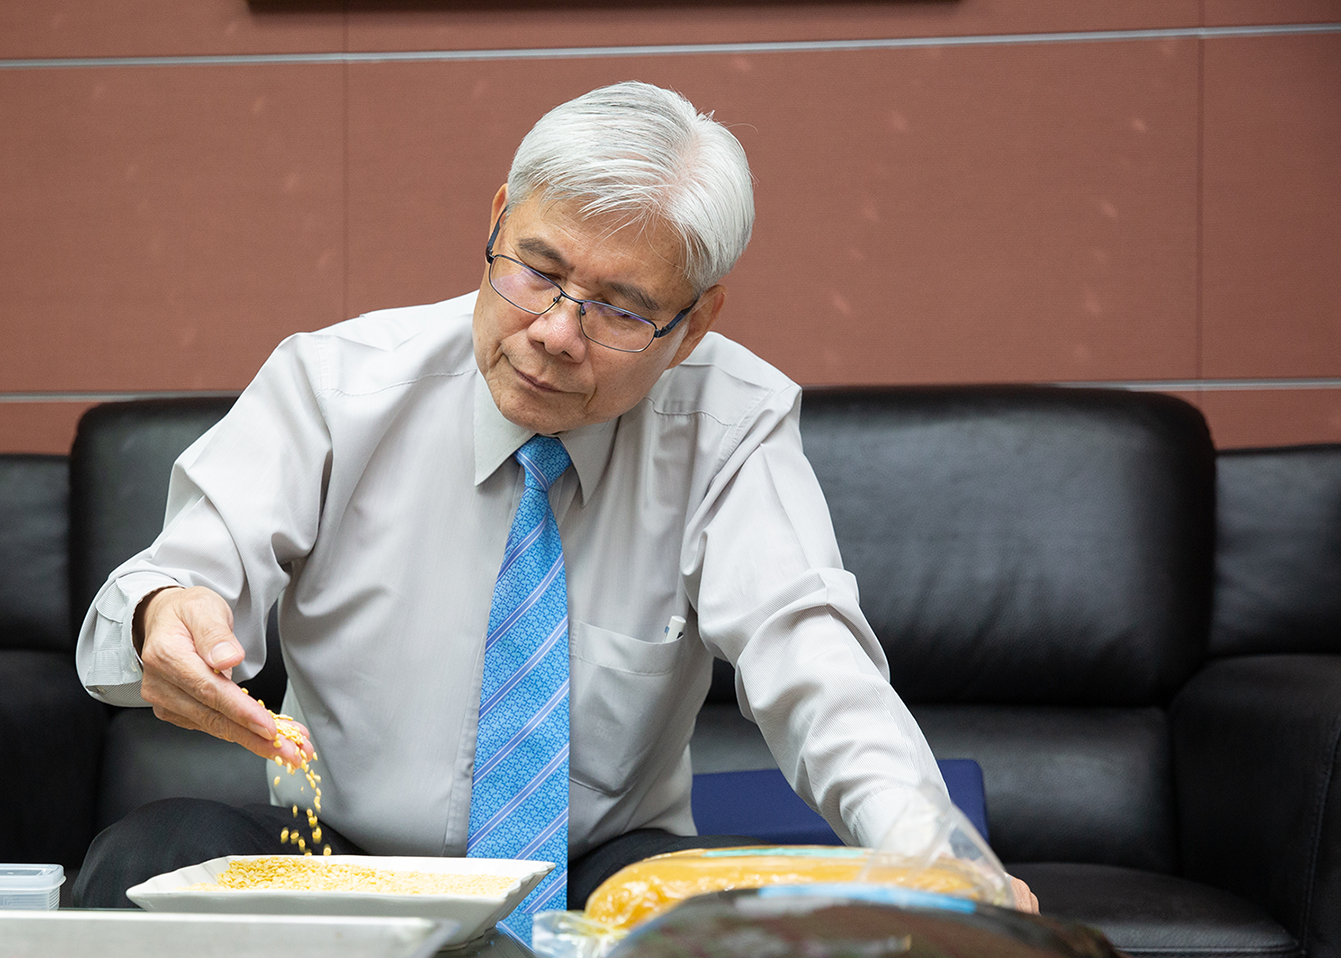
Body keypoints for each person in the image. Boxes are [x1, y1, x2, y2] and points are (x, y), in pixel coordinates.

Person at [73, 81, 1037, 915]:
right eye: (536, 271)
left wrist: (935, 857)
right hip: (340, 857)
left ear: (694, 322)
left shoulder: (730, 425)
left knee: (711, 925)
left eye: (619, 308)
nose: (555, 334)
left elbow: (811, 656)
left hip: (596, 865)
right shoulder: (335, 386)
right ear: (496, 218)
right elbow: (184, 576)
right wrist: (170, 612)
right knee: (148, 857)